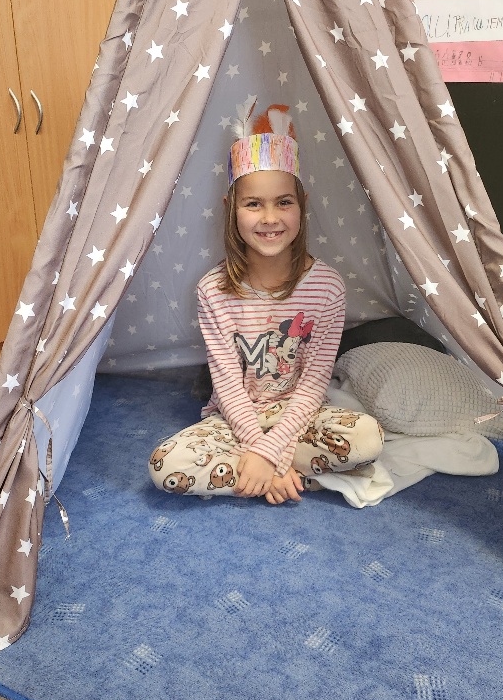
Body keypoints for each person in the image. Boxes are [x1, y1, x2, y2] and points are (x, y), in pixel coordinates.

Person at [148, 101, 384, 504]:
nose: (270, 218)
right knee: (165, 466)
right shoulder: (212, 291)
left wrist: (270, 452)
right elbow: (227, 387)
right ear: (232, 209)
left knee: (368, 438)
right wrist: (262, 450)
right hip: (234, 419)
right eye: (253, 203)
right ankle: (286, 478)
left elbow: (313, 384)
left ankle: (255, 475)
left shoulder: (327, 287)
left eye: (284, 202)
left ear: (302, 204)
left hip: (300, 416)